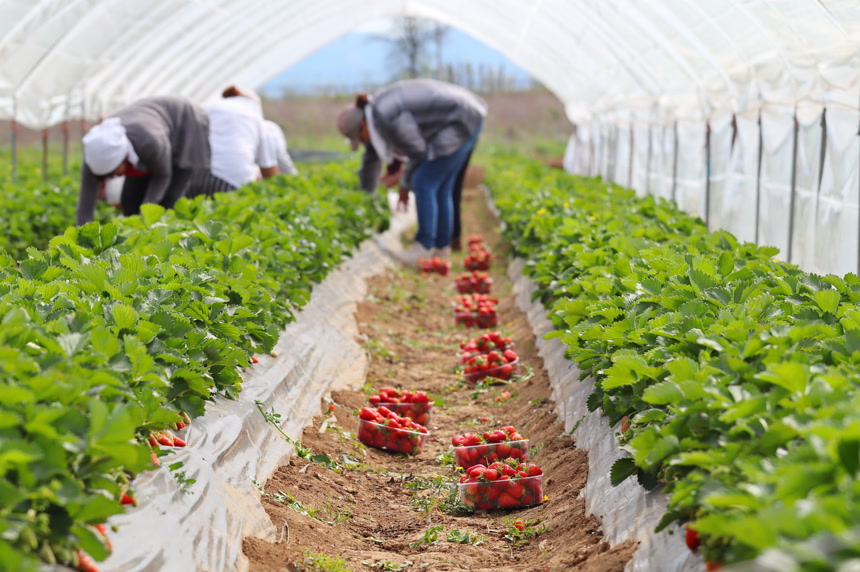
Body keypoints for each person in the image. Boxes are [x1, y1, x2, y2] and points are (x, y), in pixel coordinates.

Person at [337, 79, 486, 264]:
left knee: (423, 181)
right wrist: (366, 198)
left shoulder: (385, 116)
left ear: (363, 126)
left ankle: (423, 247)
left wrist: (404, 184)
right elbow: (371, 159)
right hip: (467, 114)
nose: (362, 143)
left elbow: (418, 152)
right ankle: (441, 248)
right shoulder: (375, 115)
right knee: (442, 186)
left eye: (359, 138)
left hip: (460, 119)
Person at [76, 95, 211, 225]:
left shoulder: (149, 142)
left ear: (124, 158)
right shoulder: (93, 153)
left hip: (186, 123)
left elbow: (162, 175)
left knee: (168, 200)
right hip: (149, 129)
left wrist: (147, 208)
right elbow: (85, 204)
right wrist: (82, 236)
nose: (112, 177)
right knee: (129, 202)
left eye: (113, 173)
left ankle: (167, 242)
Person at [186, 86, 280, 198]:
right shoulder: (253, 114)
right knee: (225, 212)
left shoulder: (208, 107)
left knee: (192, 212)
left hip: (191, 177)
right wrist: (278, 193)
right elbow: (267, 166)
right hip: (229, 181)